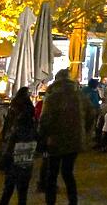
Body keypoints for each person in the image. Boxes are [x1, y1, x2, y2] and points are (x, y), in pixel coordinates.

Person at [39, 69, 87, 205]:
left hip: (55, 140)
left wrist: (42, 137)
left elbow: (45, 119)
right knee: (68, 173)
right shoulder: (80, 95)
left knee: (52, 174)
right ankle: (73, 201)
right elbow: (91, 113)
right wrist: (83, 132)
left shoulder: (52, 96)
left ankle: (51, 202)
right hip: (75, 140)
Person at [0, 91, 38, 205]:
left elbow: (10, 147)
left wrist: (4, 161)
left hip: (14, 163)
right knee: (22, 192)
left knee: (8, 189)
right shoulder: (32, 128)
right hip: (26, 163)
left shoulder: (17, 129)